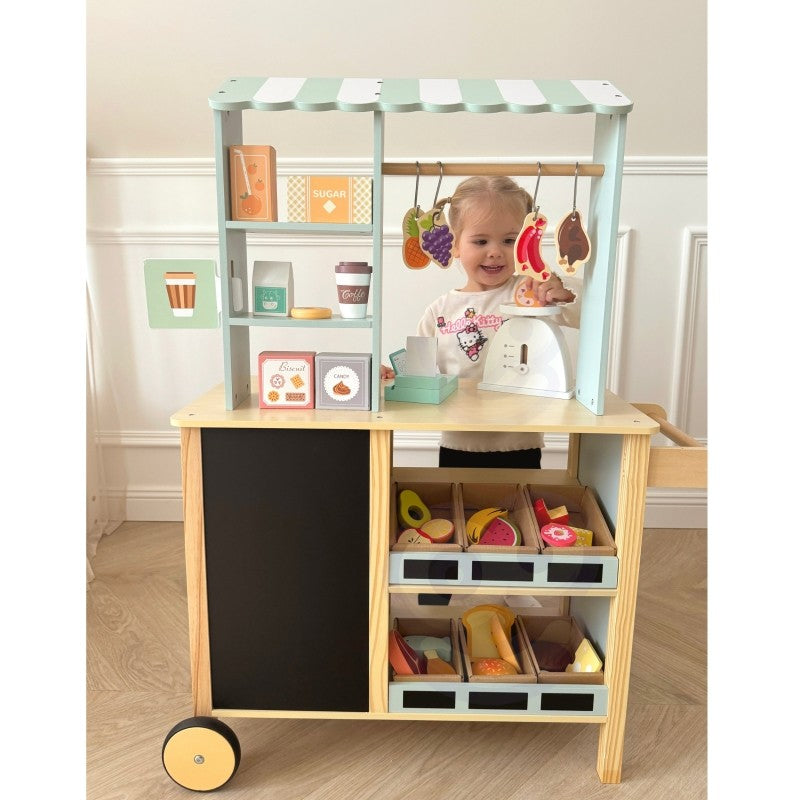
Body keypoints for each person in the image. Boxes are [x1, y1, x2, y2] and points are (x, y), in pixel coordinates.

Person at [382, 175, 579, 469]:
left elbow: (584, 314)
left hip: (520, 439)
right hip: (459, 440)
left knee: (517, 509)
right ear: (455, 245)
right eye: (480, 240)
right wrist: (394, 377)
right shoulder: (440, 310)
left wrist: (561, 291)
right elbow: (420, 370)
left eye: (510, 240)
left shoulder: (530, 293)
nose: (495, 251)